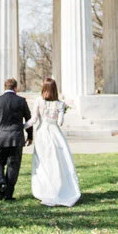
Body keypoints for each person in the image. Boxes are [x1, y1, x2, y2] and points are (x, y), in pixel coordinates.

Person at [28, 78, 81, 207]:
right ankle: (59, 188)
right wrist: (62, 111)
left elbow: (33, 120)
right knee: (57, 161)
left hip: (42, 134)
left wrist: (21, 127)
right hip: (55, 134)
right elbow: (60, 123)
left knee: (43, 162)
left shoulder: (38, 101)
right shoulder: (60, 104)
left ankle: (45, 189)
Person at [0, 77, 32, 202]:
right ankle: (8, 195)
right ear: (15, 88)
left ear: (5, 87)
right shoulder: (21, 101)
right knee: (13, 166)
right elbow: (28, 120)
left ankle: (1, 182)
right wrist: (30, 136)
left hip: (0, 138)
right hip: (16, 138)